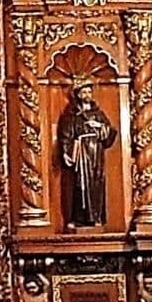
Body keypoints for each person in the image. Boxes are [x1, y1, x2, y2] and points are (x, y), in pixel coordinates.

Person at [56, 85, 119, 228]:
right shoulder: (72, 115)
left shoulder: (98, 114)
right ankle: (78, 218)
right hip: (80, 152)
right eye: (84, 92)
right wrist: (66, 152)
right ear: (78, 95)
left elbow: (110, 132)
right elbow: (66, 135)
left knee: (96, 183)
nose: (87, 94)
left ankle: (97, 216)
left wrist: (98, 126)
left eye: (89, 91)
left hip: (96, 151)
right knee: (79, 184)